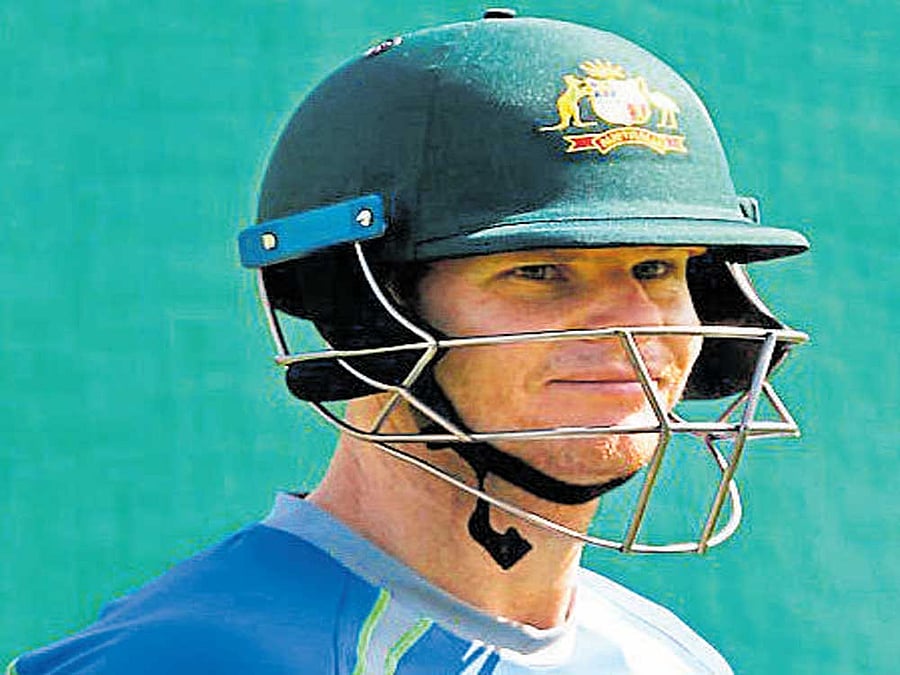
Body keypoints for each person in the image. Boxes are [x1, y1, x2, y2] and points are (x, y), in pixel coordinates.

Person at [10, 11, 809, 674]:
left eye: (657, 268)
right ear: (364, 313)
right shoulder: (184, 658)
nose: (632, 321)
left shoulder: (666, 657)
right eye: (539, 271)